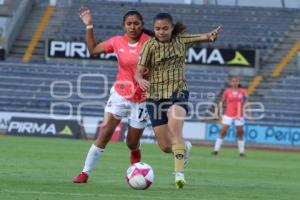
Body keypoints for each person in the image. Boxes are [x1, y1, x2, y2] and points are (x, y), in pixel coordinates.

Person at [135, 12, 220, 189]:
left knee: (175, 128)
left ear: (172, 28)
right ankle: (185, 148)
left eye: (165, 28)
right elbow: (138, 70)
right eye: (158, 28)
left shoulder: (181, 41)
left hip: (178, 92)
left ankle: (179, 175)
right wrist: (140, 79)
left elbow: (203, 36)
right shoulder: (148, 46)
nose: (161, 31)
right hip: (155, 96)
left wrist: (210, 36)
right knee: (166, 146)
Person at [73, 7, 152, 183]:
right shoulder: (117, 42)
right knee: (105, 133)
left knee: (131, 142)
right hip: (120, 95)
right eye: (129, 24)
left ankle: (135, 152)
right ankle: (85, 172)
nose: (133, 27)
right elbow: (93, 50)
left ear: (142, 25)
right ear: (124, 26)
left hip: (142, 99)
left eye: (136, 23)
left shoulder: (151, 43)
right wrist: (89, 25)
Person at [212, 76, 250, 157]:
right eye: (233, 81)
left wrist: (249, 111)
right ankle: (216, 150)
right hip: (228, 114)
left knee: (240, 133)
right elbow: (222, 102)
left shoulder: (243, 91)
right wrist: (217, 111)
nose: (234, 83)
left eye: (236, 81)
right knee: (223, 131)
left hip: (239, 115)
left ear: (238, 82)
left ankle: (241, 152)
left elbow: (246, 102)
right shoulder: (227, 91)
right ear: (230, 82)